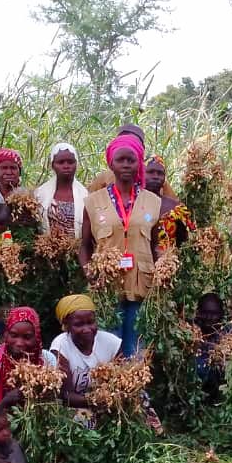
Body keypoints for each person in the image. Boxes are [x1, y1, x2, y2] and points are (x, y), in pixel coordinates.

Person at [80, 134, 162, 356]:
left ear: (138, 164)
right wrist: (90, 274)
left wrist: (163, 270)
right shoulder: (93, 202)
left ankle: (135, 379)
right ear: (111, 164)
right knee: (109, 347)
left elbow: (155, 244)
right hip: (107, 285)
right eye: (120, 160)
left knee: (136, 348)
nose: (126, 165)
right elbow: (85, 246)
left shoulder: (153, 202)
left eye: (131, 160)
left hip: (142, 285)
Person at [0, 306, 58, 410]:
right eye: (14, 335)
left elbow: (52, 401)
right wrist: (6, 402)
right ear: (6, 334)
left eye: (27, 337)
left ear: (36, 337)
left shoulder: (47, 360)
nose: (19, 343)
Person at [50, 294, 122, 406]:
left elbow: (122, 382)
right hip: (76, 407)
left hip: (111, 405)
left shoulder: (112, 342)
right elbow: (66, 395)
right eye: (79, 324)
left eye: (90, 322)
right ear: (66, 326)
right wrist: (98, 400)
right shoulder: (61, 346)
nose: (87, 329)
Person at [35, 143, 87, 239]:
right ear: (52, 165)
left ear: (76, 164)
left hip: (77, 247)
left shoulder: (85, 195)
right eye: (60, 162)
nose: (66, 166)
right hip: (47, 247)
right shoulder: (40, 194)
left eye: (70, 162)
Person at [146, 156, 195, 249]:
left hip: (167, 257)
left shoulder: (175, 208)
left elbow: (185, 241)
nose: (155, 176)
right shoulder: (132, 204)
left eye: (160, 173)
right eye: (150, 172)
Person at [194, 292, 227, 394]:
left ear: (221, 315)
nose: (209, 317)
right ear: (198, 313)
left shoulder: (228, 337)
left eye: (214, 314)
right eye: (205, 312)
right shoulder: (189, 334)